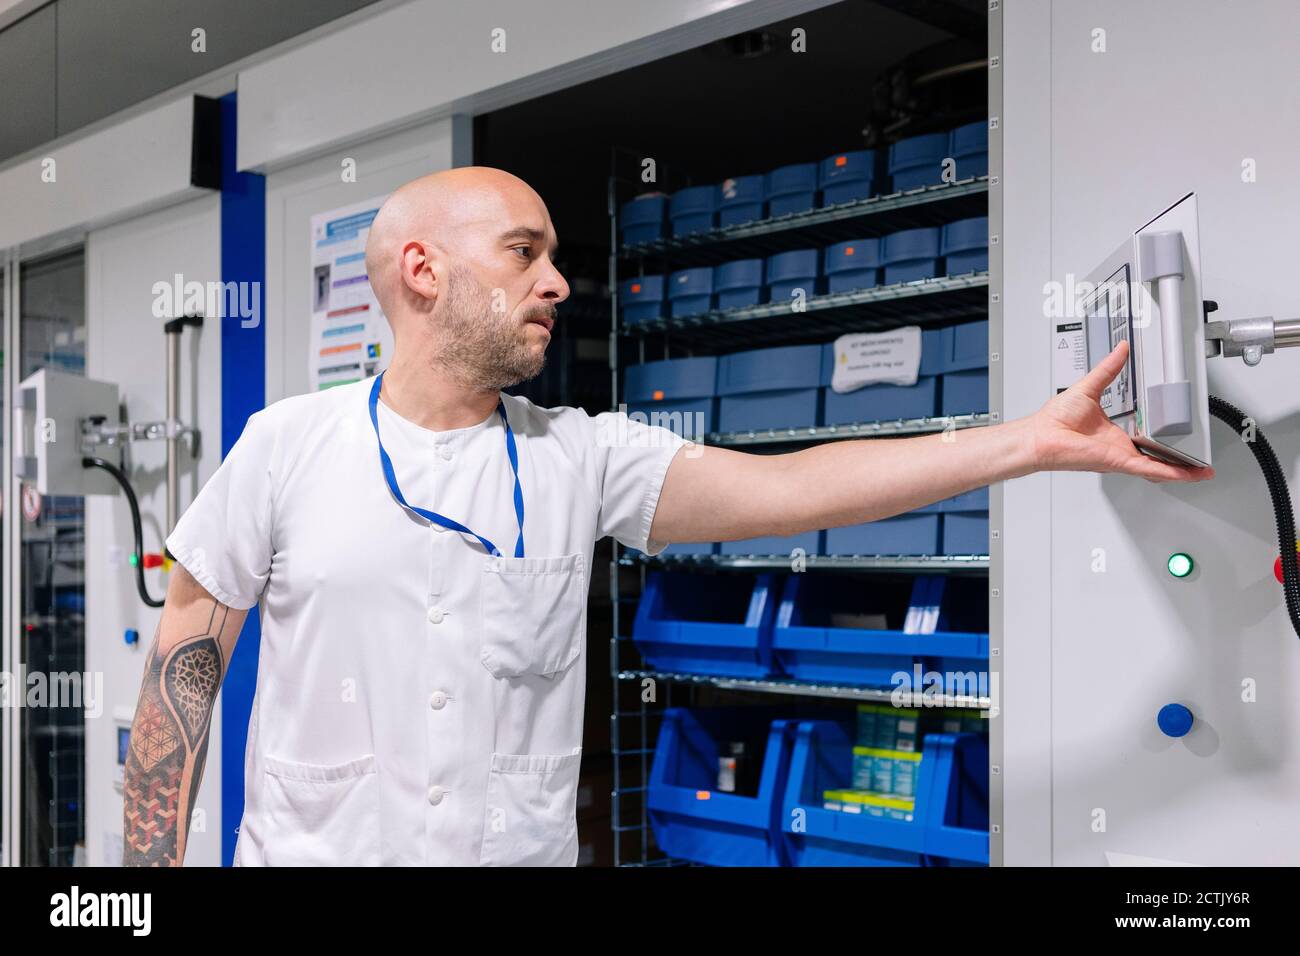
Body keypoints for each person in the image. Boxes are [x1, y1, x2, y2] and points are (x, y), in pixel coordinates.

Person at [121, 167, 1212, 867]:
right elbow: (182, 675)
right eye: (524, 252)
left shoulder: (580, 455)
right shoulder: (288, 446)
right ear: (422, 270)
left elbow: (796, 489)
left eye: (554, 256)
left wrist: (1028, 440)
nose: (557, 282)